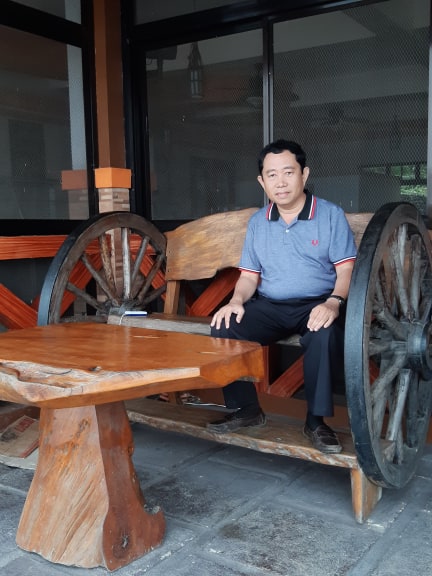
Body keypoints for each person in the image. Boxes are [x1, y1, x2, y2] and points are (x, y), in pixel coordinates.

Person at [206, 139, 357, 454]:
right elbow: (249, 276)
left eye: (288, 172)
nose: (281, 182)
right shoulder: (259, 222)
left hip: (317, 304)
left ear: (304, 174)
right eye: (271, 175)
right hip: (271, 306)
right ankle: (246, 409)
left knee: (324, 335)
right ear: (262, 181)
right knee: (224, 326)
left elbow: (346, 271)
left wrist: (333, 302)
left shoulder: (330, 215)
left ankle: (316, 422)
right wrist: (235, 301)